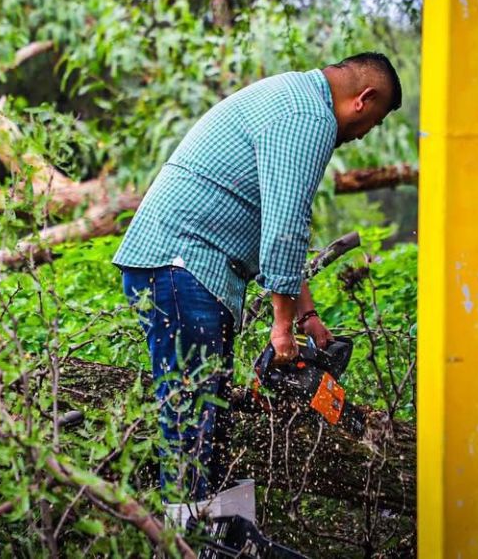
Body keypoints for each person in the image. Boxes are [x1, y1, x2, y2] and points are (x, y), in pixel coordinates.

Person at [113, 52, 402, 504]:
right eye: (374, 123)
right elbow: (287, 225)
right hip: (181, 265)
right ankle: (188, 542)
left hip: (186, 270)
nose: (364, 135)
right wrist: (281, 328)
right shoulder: (310, 116)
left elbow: (279, 223)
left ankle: (216, 537)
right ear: (363, 99)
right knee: (191, 422)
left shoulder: (296, 100)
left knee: (209, 420)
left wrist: (305, 317)